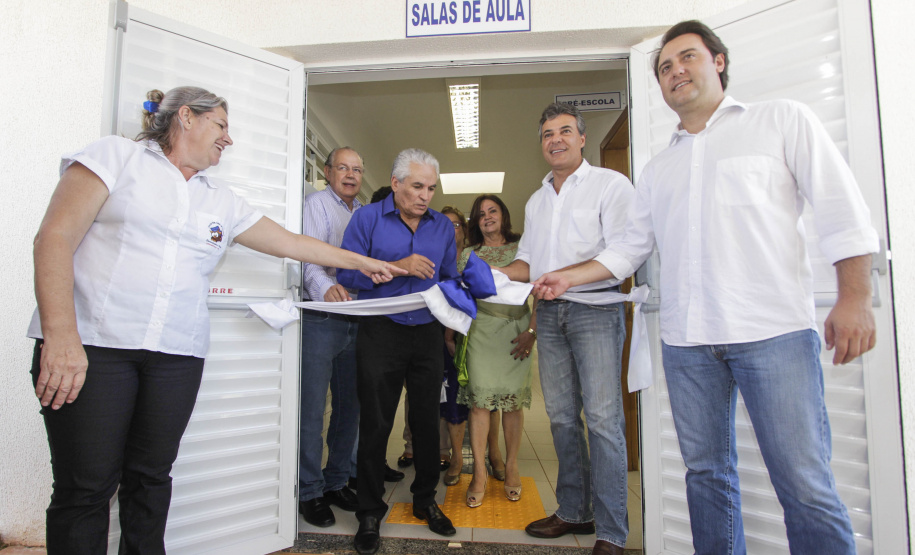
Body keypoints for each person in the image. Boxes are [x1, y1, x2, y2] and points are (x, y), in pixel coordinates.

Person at [532, 21, 878, 555]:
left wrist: (854, 296)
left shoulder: (780, 121)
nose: (676, 72)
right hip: (689, 342)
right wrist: (566, 276)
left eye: (686, 58)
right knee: (706, 476)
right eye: (665, 67)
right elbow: (629, 249)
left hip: (775, 333)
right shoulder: (658, 169)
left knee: (804, 485)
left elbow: (841, 210)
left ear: (717, 61)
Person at [28, 86, 403, 555]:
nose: (229, 139)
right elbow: (54, 238)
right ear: (186, 117)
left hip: (176, 355)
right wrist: (61, 336)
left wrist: (362, 262)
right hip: (94, 347)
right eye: (221, 126)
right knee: (86, 488)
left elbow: (292, 243)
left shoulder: (219, 201)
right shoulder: (115, 157)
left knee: (150, 480)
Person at [498, 103, 634, 555]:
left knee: (602, 419)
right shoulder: (537, 201)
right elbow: (528, 264)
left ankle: (612, 531)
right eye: (547, 134)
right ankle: (574, 510)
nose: (555, 139)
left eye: (564, 131)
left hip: (595, 310)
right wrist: (488, 272)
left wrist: (570, 277)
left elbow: (626, 251)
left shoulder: (610, 185)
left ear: (581, 138)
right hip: (551, 317)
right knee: (560, 418)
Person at [338, 148, 458, 554]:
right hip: (380, 332)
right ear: (396, 183)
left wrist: (465, 298)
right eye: (417, 186)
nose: (425, 196)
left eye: (431, 188)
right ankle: (370, 511)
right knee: (375, 423)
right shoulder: (367, 219)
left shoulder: (442, 227)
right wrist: (398, 265)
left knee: (426, 423)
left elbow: (450, 280)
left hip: (426, 334)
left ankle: (426, 500)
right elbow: (347, 272)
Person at [298, 146, 372, 528]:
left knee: (351, 407)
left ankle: (337, 480)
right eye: (342, 167)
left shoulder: (363, 214)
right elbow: (308, 257)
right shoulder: (315, 204)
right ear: (327, 172)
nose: (350, 174)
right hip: (322, 318)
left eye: (357, 169)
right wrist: (323, 286)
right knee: (312, 410)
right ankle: (309, 490)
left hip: (356, 319)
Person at [456, 195, 535, 506]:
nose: (487, 217)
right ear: (475, 221)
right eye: (480, 214)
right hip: (481, 332)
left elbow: (540, 289)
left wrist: (532, 331)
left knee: (513, 404)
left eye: (493, 210)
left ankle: (512, 466)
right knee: (479, 405)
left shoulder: (524, 248)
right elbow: (458, 295)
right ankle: (479, 473)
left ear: (504, 214)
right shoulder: (467, 255)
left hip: (517, 333)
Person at [439, 205, 471, 486]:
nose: (451, 229)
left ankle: (492, 454)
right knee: (445, 394)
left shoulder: (474, 258)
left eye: (456, 225)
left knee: (479, 395)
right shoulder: (434, 256)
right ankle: (447, 455)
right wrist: (446, 336)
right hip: (438, 334)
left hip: (471, 336)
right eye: (445, 224)